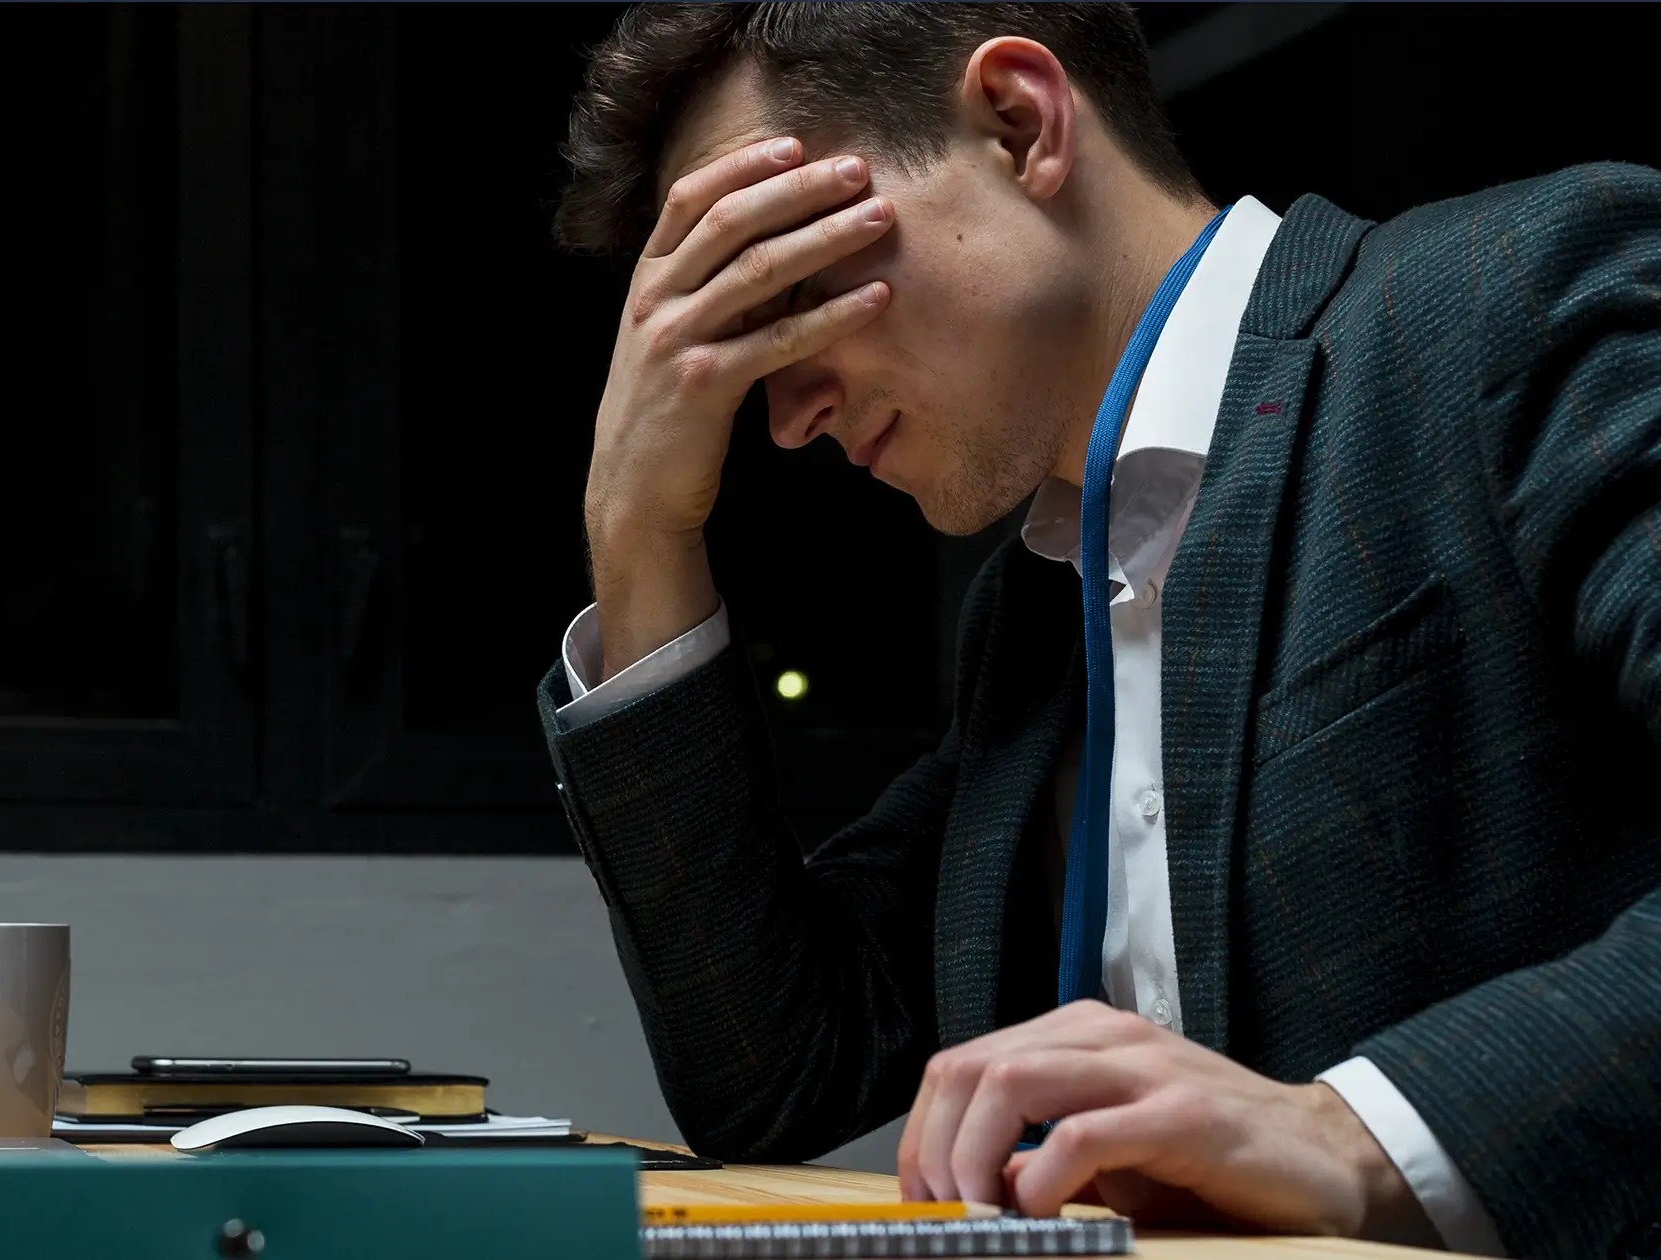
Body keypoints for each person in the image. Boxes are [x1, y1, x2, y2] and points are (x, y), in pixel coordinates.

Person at [534, 5, 1661, 1257]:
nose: (783, 414)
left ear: (1019, 124)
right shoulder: (1035, 618)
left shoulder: (1518, 299)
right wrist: (638, 529)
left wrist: (1356, 1135)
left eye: (788, 291)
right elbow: (776, 1066)